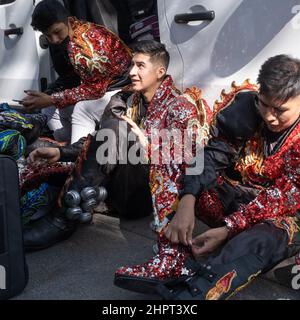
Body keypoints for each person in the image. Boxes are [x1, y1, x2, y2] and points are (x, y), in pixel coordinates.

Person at [114, 54, 300, 300]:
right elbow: (211, 157)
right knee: (172, 153)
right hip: (238, 200)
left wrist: (227, 229)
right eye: (264, 104)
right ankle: (173, 258)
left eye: (280, 110)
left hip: (282, 215)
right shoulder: (247, 110)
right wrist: (188, 199)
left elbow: (286, 196)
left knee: (261, 239)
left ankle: (194, 295)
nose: (269, 116)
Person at [24, 40, 209, 254]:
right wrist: (61, 152)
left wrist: (186, 205)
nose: (131, 72)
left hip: (147, 198)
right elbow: (101, 139)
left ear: (160, 72)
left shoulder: (179, 106)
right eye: (132, 65)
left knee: (117, 127)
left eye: (140, 66)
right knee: (41, 155)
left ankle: (61, 220)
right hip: (114, 187)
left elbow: (193, 163)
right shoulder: (126, 99)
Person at [21, 0, 132, 144]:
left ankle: (76, 152)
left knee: (81, 109)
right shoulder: (74, 31)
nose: (54, 40)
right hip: (105, 88)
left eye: (57, 32)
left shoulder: (83, 44)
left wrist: (52, 98)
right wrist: (49, 95)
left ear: (67, 20)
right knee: (50, 109)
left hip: (122, 89)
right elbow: (71, 77)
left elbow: (95, 90)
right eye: (48, 36)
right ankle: (66, 143)